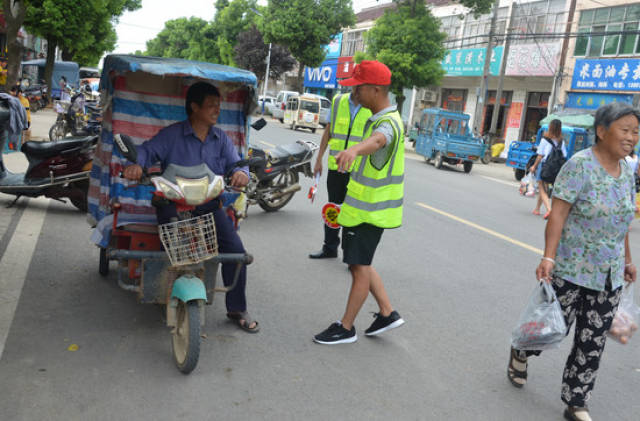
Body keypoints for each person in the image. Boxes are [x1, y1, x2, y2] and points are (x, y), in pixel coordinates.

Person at [507, 102, 639, 421]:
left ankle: (576, 400)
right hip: (571, 268)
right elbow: (558, 215)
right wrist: (548, 257)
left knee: (591, 341)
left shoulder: (627, 172)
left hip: (608, 276)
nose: (632, 137)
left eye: (636, 132)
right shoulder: (579, 165)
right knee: (550, 329)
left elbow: (620, 220)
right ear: (601, 131)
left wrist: (627, 260)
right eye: (625, 130)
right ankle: (520, 352)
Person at [122, 81, 259, 333]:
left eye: (218, 106)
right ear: (194, 107)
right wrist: (137, 165)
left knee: (236, 251)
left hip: (208, 205)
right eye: (211, 106)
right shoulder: (172, 135)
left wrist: (242, 173)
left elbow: (237, 164)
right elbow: (146, 151)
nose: (217, 110)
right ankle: (167, 293)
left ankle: (237, 308)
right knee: (174, 252)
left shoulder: (221, 140)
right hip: (172, 204)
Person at [313, 60, 405, 345]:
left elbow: (379, 141)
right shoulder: (378, 117)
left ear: (375, 90)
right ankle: (387, 312)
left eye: (358, 88)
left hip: (370, 213)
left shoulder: (387, 123)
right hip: (364, 210)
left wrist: (354, 149)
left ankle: (346, 327)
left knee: (357, 266)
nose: (353, 93)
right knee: (362, 262)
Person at [309, 86, 372, 259]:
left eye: (360, 85)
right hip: (336, 166)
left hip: (357, 170)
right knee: (333, 208)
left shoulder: (370, 106)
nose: (356, 88)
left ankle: (350, 253)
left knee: (353, 212)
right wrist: (319, 159)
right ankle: (329, 248)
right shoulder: (338, 101)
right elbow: (328, 132)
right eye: (354, 84)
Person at [530, 119, 567, 219]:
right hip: (555, 168)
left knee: (541, 188)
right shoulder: (561, 142)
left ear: (550, 127)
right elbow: (564, 155)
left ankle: (549, 209)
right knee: (544, 187)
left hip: (545, 166)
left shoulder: (545, 140)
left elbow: (540, 155)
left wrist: (534, 166)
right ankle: (537, 209)